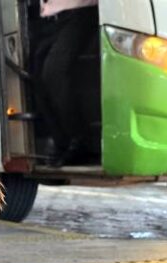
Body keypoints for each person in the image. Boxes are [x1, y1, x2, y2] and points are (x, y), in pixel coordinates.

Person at [32, 0, 99, 167]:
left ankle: (82, 143)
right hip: (49, 17)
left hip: (80, 13)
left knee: (54, 73)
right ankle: (62, 142)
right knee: (35, 79)